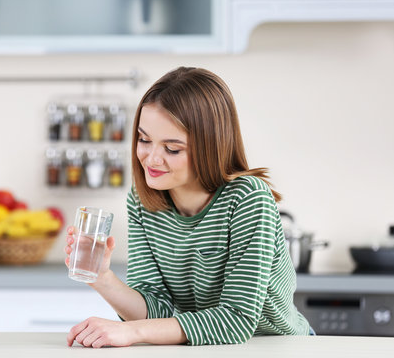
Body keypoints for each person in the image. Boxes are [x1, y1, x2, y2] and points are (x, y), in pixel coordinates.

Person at [64, 67, 311, 348]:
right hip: (199, 347)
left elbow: (236, 320)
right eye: (144, 140)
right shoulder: (143, 200)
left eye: (172, 149)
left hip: (277, 347)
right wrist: (102, 278)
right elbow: (156, 309)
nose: (152, 159)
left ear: (210, 147)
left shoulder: (248, 199)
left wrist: (134, 332)